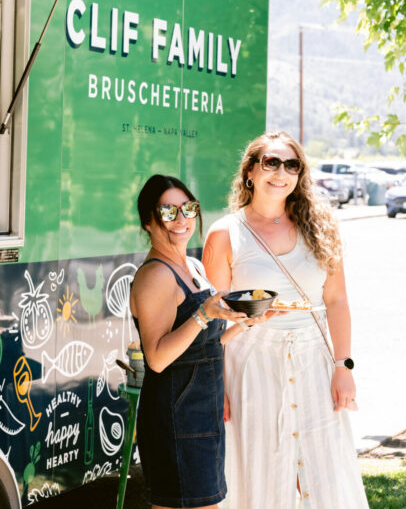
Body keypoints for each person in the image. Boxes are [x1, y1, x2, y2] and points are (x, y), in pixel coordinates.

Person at [203, 131, 369, 508]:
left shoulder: (322, 227)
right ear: (250, 172)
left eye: (291, 165)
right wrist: (219, 385)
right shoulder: (225, 234)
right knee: (259, 468)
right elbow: (213, 321)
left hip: (314, 360)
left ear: (300, 174)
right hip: (251, 363)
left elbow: (338, 300)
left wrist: (344, 367)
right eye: (271, 163)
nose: (281, 173)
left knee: (325, 468)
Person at [130, 174, 266, 509]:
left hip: (200, 411)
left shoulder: (191, 265)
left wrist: (250, 321)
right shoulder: (155, 277)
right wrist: (203, 315)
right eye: (167, 212)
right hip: (175, 414)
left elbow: (208, 344)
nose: (181, 220)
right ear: (148, 221)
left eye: (188, 208)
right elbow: (158, 359)